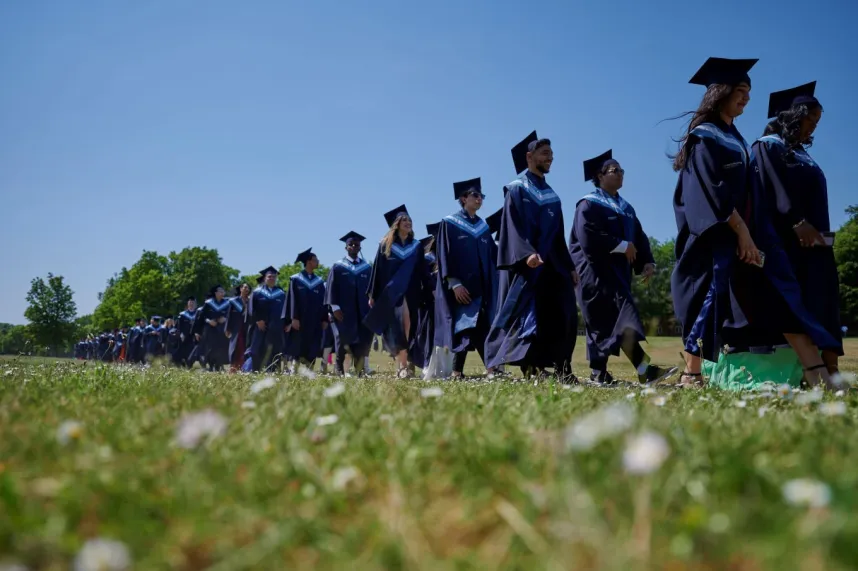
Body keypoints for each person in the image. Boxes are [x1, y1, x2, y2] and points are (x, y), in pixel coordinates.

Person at [669, 57, 839, 389]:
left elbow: (753, 194)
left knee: (747, 295)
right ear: (720, 92)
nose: (747, 97)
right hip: (715, 233)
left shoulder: (736, 139)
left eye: (749, 91)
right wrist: (741, 230)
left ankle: (813, 370)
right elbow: (709, 189)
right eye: (741, 90)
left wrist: (754, 235)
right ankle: (691, 374)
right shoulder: (704, 137)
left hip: (741, 234)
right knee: (709, 295)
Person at [754, 81, 842, 375]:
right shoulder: (769, 146)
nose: (814, 127)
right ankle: (812, 370)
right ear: (794, 116)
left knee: (825, 297)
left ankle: (832, 368)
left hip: (816, 241)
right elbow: (772, 188)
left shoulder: (803, 153)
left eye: (817, 122)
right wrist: (797, 221)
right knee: (796, 302)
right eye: (810, 119)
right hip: (789, 240)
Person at [570, 150, 677, 385]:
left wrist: (647, 261)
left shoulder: (625, 208)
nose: (620, 174)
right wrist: (621, 245)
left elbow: (638, 237)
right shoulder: (588, 204)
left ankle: (621, 371)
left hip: (618, 275)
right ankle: (625, 371)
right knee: (602, 322)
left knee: (619, 321)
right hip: (594, 274)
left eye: (621, 170)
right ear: (600, 176)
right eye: (614, 170)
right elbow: (587, 237)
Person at [485, 131, 579, 381]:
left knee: (564, 311)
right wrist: (526, 253)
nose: (550, 158)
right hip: (528, 264)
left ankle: (563, 368)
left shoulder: (553, 197)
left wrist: (569, 266)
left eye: (552, 154)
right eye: (545, 153)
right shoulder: (516, 189)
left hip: (552, 264)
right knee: (529, 316)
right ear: (529, 157)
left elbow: (558, 236)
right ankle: (532, 368)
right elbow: (512, 226)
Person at [434, 178, 499, 379]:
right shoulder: (450, 223)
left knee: (477, 327)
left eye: (482, 196)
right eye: (475, 195)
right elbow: (445, 254)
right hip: (462, 287)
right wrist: (455, 284)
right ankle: (480, 370)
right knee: (466, 327)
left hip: (482, 287)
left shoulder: (483, 227)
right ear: (464, 198)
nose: (480, 199)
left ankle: (465, 371)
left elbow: (492, 256)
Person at [365, 205, 427, 378]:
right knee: (401, 325)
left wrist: (431, 289)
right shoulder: (386, 245)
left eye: (410, 220)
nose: (408, 222)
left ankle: (404, 364)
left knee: (408, 328)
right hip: (392, 295)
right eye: (404, 220)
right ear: (397, 224)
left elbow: (423, 270)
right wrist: (372, 294)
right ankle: (403, 366)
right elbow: (377, 270)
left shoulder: (416, 246)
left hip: (412, 292)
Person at [325, 231, 374, 376]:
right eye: (351, 244)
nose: (353, 246)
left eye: (356, 244)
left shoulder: (367, 267)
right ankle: (339, 368)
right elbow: (331, 288)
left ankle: (359, 370)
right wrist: (334, 307)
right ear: (346, 247)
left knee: (361, 340)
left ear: (360, 247)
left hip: (363, 311)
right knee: (342, 339)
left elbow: (372, 289)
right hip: (343, 311)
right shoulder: (338, 267)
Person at [286, 249, 328, 373]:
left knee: (313, 344)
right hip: (300, 320)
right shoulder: (296, 279)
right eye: (316, 260)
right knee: (298, 344)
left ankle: (309, 371)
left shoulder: (319, 282)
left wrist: (324, 319)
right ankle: (294, 368)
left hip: (315, 320)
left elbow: (324, 301)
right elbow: (292, 300)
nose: (318, 262)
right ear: (309, 262)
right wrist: (294, 318)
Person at [248, 266, 287, 372]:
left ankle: (274, 371)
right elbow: (251, 309)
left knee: (275, 349)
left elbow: (285, 310)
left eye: (274, 277)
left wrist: (286, 323)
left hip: (276, 327)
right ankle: (256, 371)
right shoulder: (257, 292)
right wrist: (257, 320)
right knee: (258, 349)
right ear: (265, 278)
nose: (272, 278)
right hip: (260, 327)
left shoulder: (281, 293)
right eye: (269, 276)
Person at [194, 285, 231, 371]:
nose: (222, 293)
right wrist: (209, 321)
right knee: (210, 347)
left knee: (221, 347)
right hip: (211, 328)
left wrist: (225, 319)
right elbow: (202, 316)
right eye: (220, 291)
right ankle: (211, 365)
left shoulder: (227, 303)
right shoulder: (208, 303)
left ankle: (218, 365)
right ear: (215, 293)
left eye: (223, 291)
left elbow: (230, 315)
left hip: (221, 329)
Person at [227, 283, 251, 373]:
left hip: (247, 328)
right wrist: (227, 328)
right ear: (241, 289)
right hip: (236, 328)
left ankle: (243, 368)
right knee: (236, 347)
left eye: (248, 288)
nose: (246, 289)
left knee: (245, 347)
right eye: (245, 287)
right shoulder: (234, 301)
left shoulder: (250, 301)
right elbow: (228, 315)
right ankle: (233, 367)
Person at [176, 297, 199, 368]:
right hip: (185, 335)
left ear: (195, 304)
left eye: (193, 303)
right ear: (188, 304)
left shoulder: (198, 313)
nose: (191, 304)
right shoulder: (183, 314)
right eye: (190, 302)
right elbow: (179, 325)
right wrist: (181, 334)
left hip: (194, 335)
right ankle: (184, 363)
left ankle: (190, 364)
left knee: (193, 349)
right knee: (184, 350)